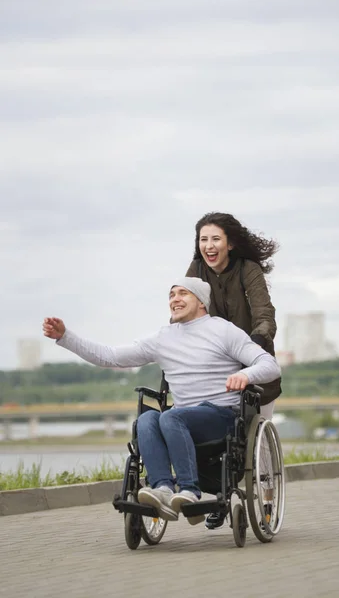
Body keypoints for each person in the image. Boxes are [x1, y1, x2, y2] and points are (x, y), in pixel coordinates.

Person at [43, 277, 281, 525]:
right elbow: (110, 357)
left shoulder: (223, 330)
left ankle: (189, 491)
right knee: (147, 419)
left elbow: (269, 366)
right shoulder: (163, 338)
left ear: (201, 301)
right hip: (181, 420)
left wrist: (245, 374)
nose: (175, 299)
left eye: (183, 294)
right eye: (171, 295)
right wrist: (66, 336)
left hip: (222, 416)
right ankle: (163, 490)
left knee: (170, 416)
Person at [185, 212, 281, 529]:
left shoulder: (247, 270)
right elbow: (184, 307)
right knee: (206, 433)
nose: (209, 246)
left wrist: (255, 343)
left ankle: (266, 502)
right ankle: (217, 496)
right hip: (211, 367)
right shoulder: (196, 271)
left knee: (259, 440)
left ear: (230, 243)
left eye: (215, 239)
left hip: (252, 362)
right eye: (203, 240)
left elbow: (264, 312)